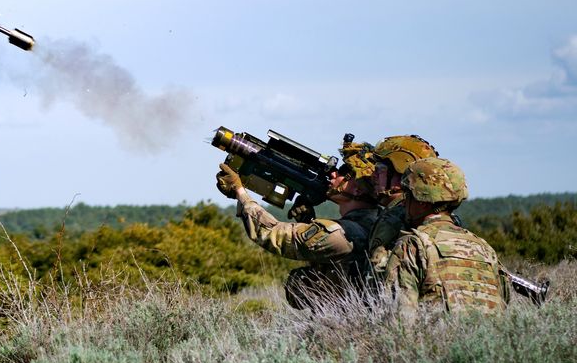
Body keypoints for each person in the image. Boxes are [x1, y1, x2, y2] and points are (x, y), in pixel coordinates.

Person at [216, 139, 380, 309]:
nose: (333, 174)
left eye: (344, 172)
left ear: (358, 189)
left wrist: (239, 191)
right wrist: (307, 222)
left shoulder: (343, 233)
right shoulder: (376, 221)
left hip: (345, 325)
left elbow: (274, 234)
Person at [382, 157, 509, 314]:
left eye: (408, 194)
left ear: (422, 200)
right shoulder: (484, 248)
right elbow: (504, 307)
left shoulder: (413, 246)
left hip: (436, 338)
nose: (403, 202)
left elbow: (399, 319)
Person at [366, 134, 439, 275]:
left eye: (379, 169)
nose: (373, 175)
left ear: (402, 173)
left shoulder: (399, 213)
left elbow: (376, 276)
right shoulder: (426, 210)